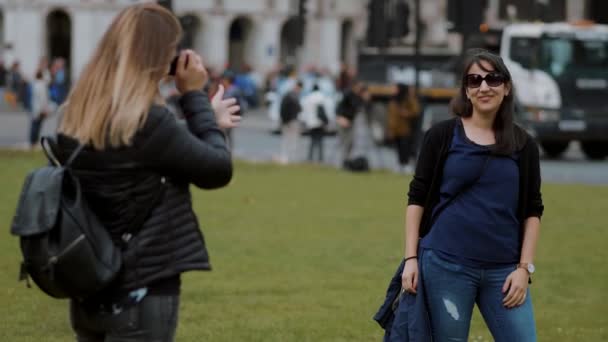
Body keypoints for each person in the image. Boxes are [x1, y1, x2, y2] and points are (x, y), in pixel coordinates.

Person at [53, 4, 240, 341]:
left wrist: (203, 120)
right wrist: (194, 96)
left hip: (90, 281)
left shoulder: (79, 115)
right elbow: (216, 169)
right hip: (142, 286)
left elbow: (137, 153)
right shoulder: (148, 123)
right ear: (157, 56)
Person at [399, 49, 544, 341]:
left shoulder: (523, 144)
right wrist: (411, 258)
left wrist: (523, 269)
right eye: (474, 80)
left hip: (504, 271)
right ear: (466, 90)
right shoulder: (441, 136)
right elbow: (417, 198)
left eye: (493, 79)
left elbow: (532, 210)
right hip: (445, 265)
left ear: (506, 87)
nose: (484, 87)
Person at [386, 83, 420, 173]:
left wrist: (406, 113)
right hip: (394, 129)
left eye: (395, 88)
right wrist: (390, 129)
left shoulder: (408, 99)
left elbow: (416, 111)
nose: (393, 90)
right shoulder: (393, 100)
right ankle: (399, 164)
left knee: (405, 147)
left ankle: (406, 164)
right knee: (397, 148)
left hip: (405, 129)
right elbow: (390, 116)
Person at [301, 84, 332, 163]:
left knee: (312, 141)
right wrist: (327, 121)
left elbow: (305, 112)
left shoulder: (308, 98)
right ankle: (320, 158)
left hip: (311, 123)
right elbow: (325, 110)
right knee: (320, 141)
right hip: (320, 122)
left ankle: (310, 158)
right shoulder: (322, 97)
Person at [278, 80, 303, 164]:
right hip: (292, 120)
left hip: (288, 120)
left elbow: (282, 109)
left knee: (287, 140)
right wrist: (286, 120)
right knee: (291, 140)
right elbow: (298, 109)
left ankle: (286, 157)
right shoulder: (293, 97)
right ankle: (289, 158)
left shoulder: (290, 95)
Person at [29, 70, 51, 148]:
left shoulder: (34, 84)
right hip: (40, 109)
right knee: (37, 126)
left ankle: (32, 141)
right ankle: (34, 141)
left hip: (35, 108)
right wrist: (45, 109)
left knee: (34, 125)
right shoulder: (42, 85)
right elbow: (43, 99)